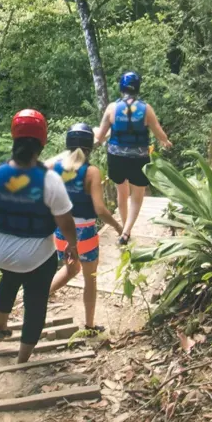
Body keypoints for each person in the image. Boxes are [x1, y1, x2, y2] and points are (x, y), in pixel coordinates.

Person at [0, 109, 80, 363]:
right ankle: (22, 359)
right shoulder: (50, 181)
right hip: (36, 259)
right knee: (36, 298)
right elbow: (66, 223)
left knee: (10, 276)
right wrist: (72, 246)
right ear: (43, 142)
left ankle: (1, 327)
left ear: (14, 138)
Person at [47, 123, 123, 335]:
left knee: (72, 269)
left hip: (61, 230)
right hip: (85, 232)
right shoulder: (91, 172)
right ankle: (89, 325)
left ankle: (38, 299)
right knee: (90, 278)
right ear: (90, 146)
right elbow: (100, 209)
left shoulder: (55, 167)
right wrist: (118, 226)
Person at [95, 71, 172, 245]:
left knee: (122, 193)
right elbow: (160, 134)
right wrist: (166, 142)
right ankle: (127, 231)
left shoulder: (112, 108)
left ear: (121, 87)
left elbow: (99, 138)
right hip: (138, 158)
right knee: (137, 196)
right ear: (137, 88)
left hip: (116, 157)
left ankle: (123, 228)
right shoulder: (146, 109)